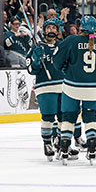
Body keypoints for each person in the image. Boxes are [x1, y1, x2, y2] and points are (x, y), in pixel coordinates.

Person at [53, 15, 96, 164]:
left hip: (73, 85)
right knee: (91, 117)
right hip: (94, 87)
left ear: (80, 27)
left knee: (69, 117)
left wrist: (65, 67)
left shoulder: (71, 40)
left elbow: (56, 61)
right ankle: (92, 146)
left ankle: (64, 147)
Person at [26, 17, 71, 161]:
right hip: (45, 87)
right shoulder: (36, 47)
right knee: (48, 117)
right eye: (48, 28)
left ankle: (60, 141)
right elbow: (31, 70)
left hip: (63, 86)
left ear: (58, 31)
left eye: (53, 28)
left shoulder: (62, 45)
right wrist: (36, 60)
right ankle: (47, 143)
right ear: (44, 31)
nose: (51, 30)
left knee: (64, 116)